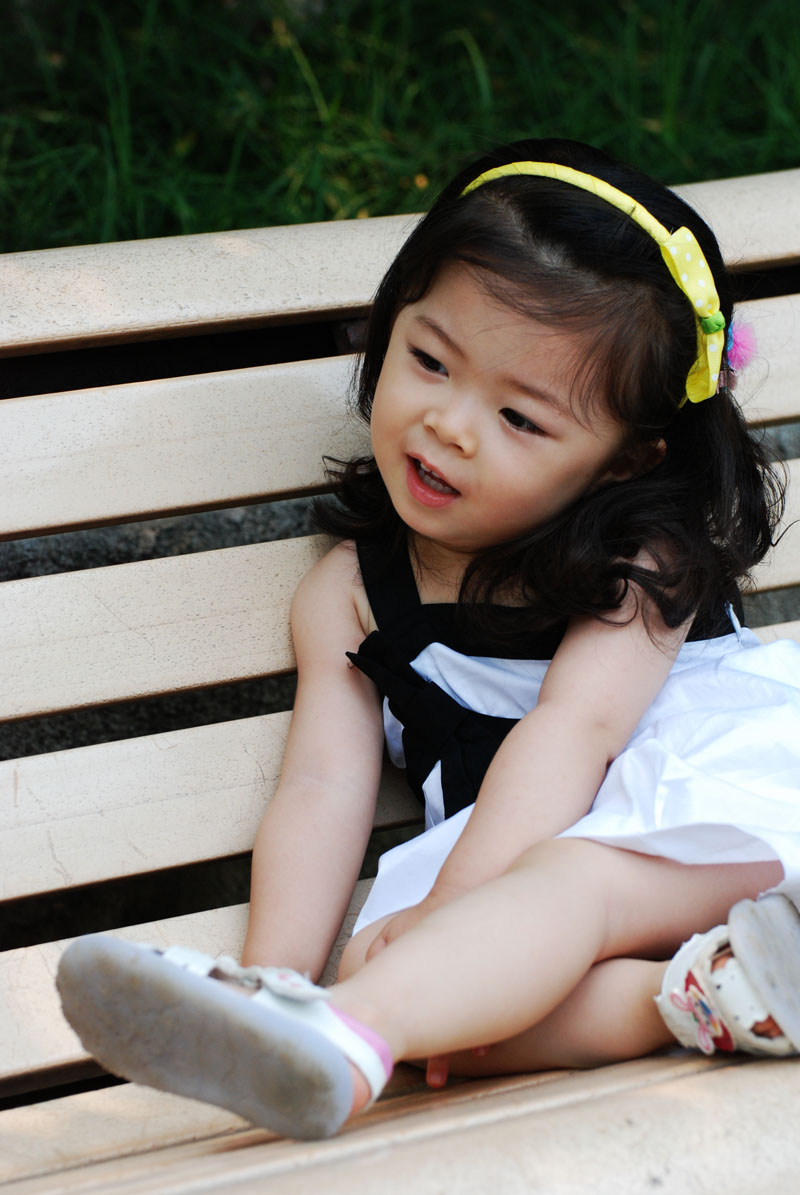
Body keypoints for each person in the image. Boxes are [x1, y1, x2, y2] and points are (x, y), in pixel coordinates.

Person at [57, 139, 800, 1141]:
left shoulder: (639, 560)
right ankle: (713, 992)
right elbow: (321, 786)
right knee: (407, 983)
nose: (449, 425)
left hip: (709, 816)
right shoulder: (348, 596)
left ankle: (361, 1022)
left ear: (626, 460)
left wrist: (453, 910)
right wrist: (274, 969)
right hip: (541, 897)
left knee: (528, 911)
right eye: (429, 361)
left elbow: (574, 735)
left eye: (519, 418)